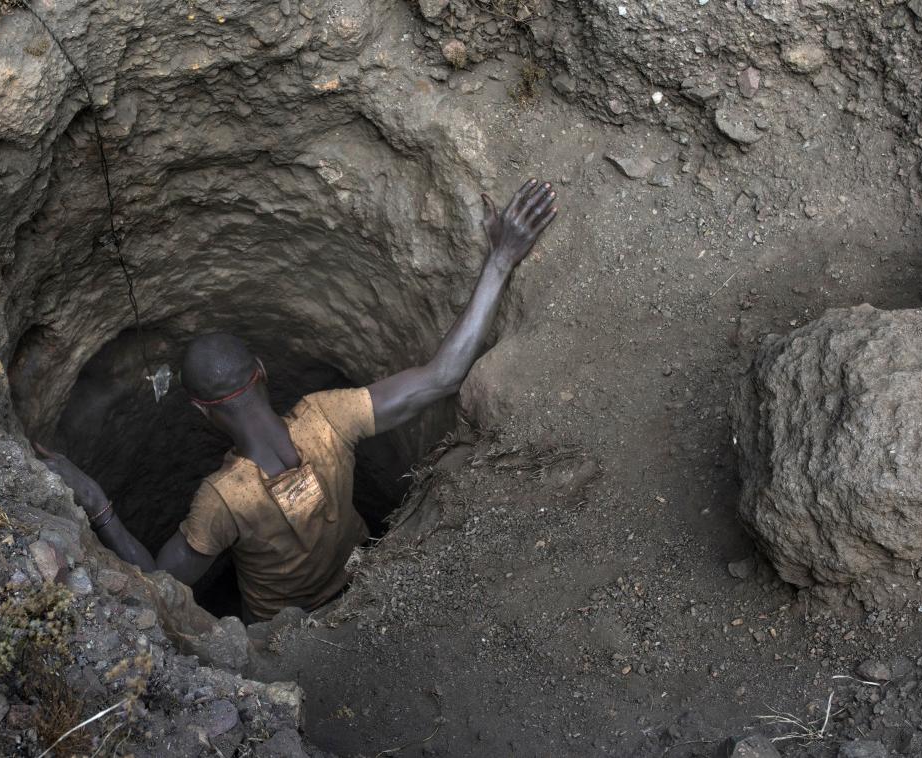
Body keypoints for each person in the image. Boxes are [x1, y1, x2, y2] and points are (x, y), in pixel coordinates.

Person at [36, 179, 558, 621]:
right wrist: (501, 259)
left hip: (280, 629)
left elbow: (157, 583)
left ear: (199, 411)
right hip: (364, 584)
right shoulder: (329, 417)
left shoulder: (221, 501)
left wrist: (96, 503)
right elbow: (443, 376)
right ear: (263, 372)